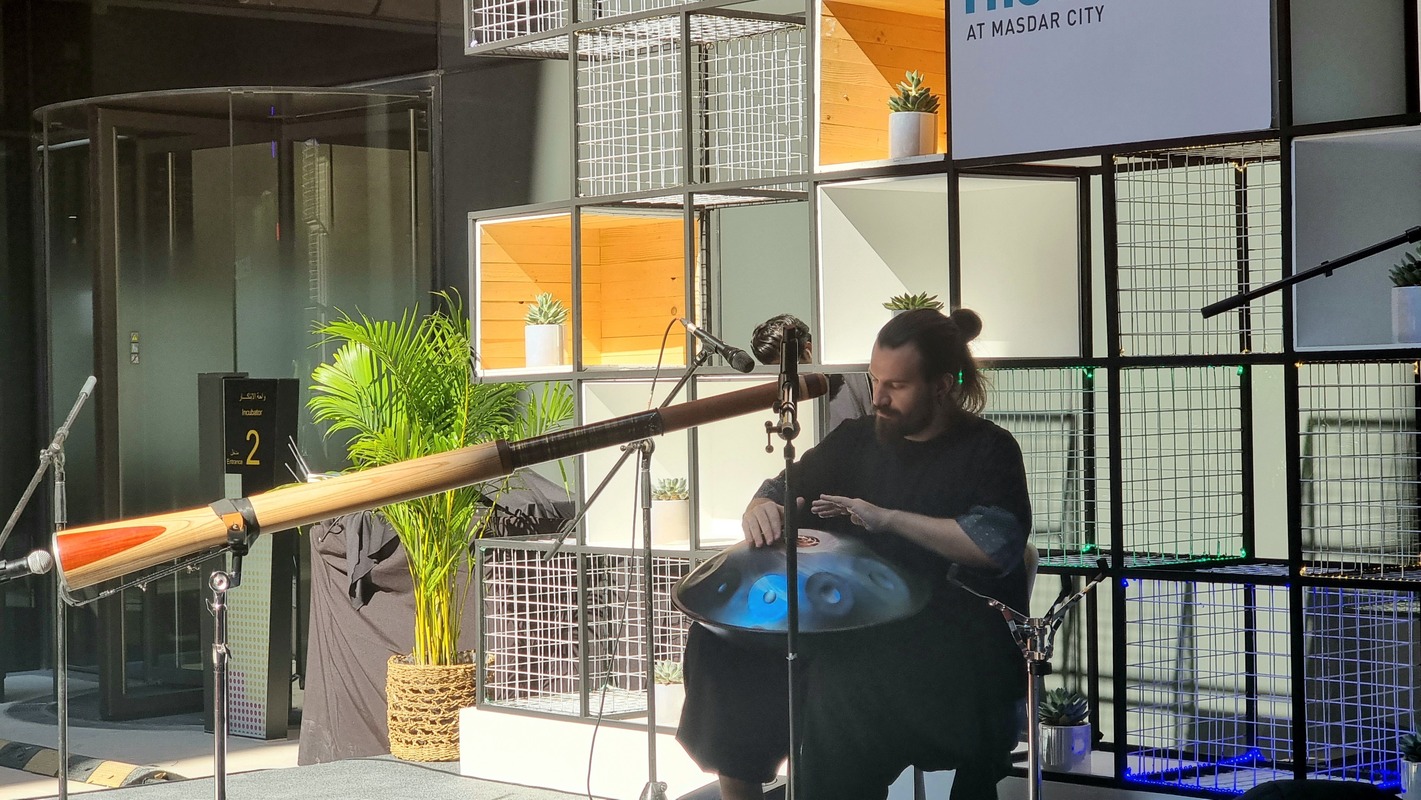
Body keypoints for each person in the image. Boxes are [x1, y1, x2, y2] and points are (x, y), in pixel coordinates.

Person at [677, 308, 1032, 800]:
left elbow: (996, 545)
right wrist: (762, 507)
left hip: (943, 640)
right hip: (849, 627)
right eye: (874, 379)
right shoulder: (856, 439)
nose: (878, 397)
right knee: (722, 646)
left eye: (896, 386)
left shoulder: (988, 450)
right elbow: (784, 486)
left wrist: (886, 518)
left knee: (841, 684)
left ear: (941, 386)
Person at [749, 313, 874, 431]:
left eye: (787, 370)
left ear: (808, 350)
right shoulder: (787, 399)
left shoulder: (854, 376)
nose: (785, 380)